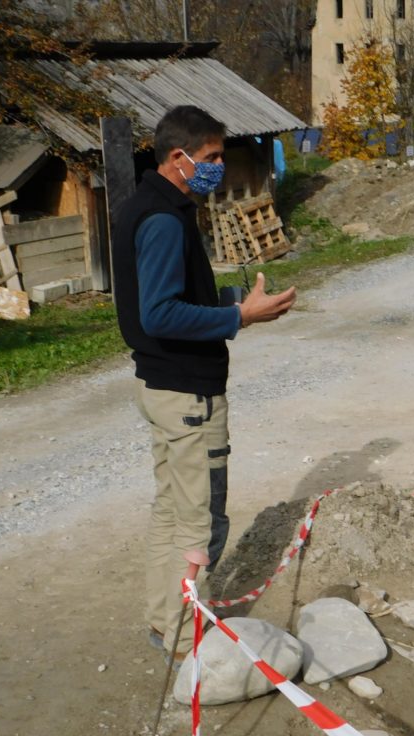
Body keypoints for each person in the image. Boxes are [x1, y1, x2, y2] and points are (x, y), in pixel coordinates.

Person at [112, 105, 297, 662]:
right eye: (212, 157)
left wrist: (233, 302)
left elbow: (167, 304)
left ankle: (164, 622)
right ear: (179, 157)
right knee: (201, 521)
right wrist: (240, 319)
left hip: (161, 386)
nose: (219, 166)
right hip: (188, 394)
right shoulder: (165, 220)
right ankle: (184, 639)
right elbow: (161, 315)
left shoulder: (145, 207)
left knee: (171, 510)